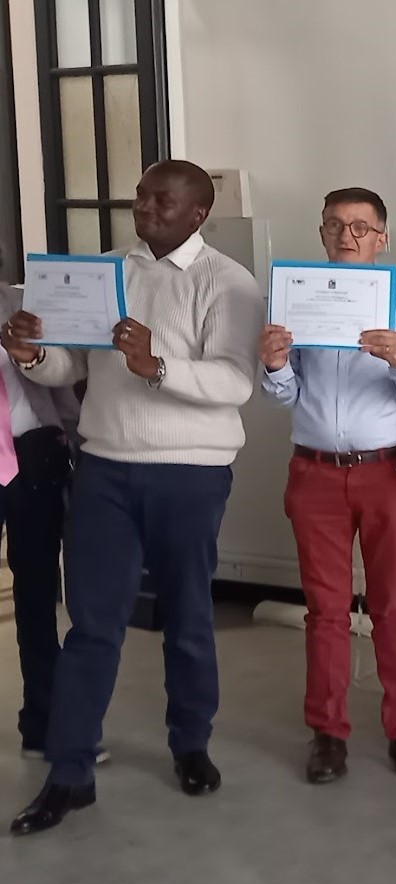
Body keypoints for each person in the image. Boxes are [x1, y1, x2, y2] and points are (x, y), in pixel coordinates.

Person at [7, 160, 265, 836]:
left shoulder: (228, 282)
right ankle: (69, 772)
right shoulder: (101, 273)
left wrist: (157, 364)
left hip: (191, 471)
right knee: (92, 623)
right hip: (105, 469)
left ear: (197, 212)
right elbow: (74, 364)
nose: (143, 205)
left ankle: (190, 743)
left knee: (187, 615)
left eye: (162, 197)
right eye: (142, 194)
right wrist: (34, 355)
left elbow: (237, 382)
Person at [260, 187, 396, 784]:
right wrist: (276, 364)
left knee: (392, 604)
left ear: (383, 237)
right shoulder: (295, 297)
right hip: (314, 470)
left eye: (361, 227)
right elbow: (284, 395)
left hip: (387, 470)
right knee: (325, 610)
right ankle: (328, 733)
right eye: (335, 225)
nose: (347, 237)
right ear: (321, 233)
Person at [0, 274, 81, 761]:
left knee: (36, 597)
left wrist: (74, 441)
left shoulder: (20, 303)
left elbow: (60, 387)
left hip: (33, 458)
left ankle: (44, 724)